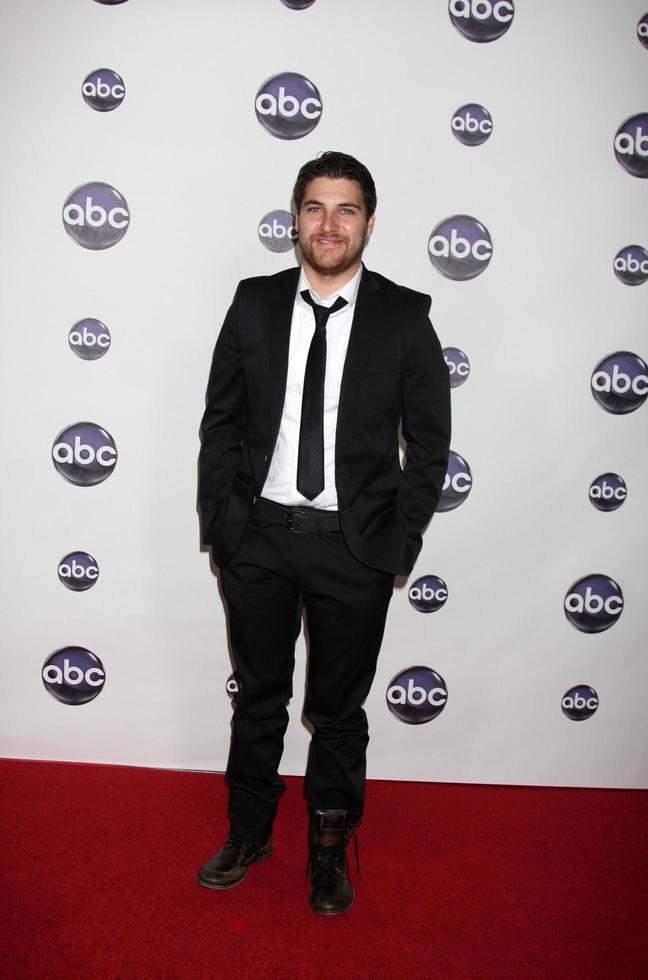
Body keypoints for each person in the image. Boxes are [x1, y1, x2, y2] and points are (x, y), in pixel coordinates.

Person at [197, 151, 451, 914]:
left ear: (369, 222)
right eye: (315, 207)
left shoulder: (406, 316)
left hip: (354, 547)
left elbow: (429, 445)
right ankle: (249, 832)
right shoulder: (252, 303)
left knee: (337, 711)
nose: (329, 223)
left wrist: (394, 546)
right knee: (260, 696)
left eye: (346, 209)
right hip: (260, 538)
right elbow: (221, 422)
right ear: (296, 218)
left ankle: (330, 853)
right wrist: (223, 526)